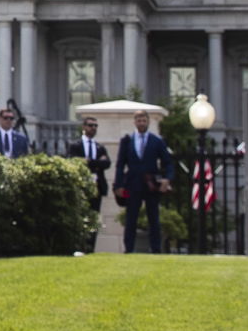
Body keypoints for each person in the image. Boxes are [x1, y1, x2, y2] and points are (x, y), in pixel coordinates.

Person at [115, 108, 176, 254]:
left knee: (153, 217)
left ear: (148, 122)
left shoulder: (157, 141)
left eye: (144, 120)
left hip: (151, 185)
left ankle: (156, 249)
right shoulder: (127, 141)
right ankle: (129, 249)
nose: (141, 123)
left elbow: (168, 162)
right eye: (139, 120)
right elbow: (120, 164)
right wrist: (119, 185)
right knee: (131, 217)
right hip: (132, 185)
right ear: (134, 122)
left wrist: (167, 179)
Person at [69, 115, 111, 207]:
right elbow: (74, 161)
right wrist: (98, 163)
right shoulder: (75, 145)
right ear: (84, 127)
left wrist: (89, 161)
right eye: (90, 125)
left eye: (95, 126)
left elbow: (107, 163)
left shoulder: (100, 147)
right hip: (81, 184)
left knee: (95, 211)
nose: (93, 128)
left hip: (97, 185)